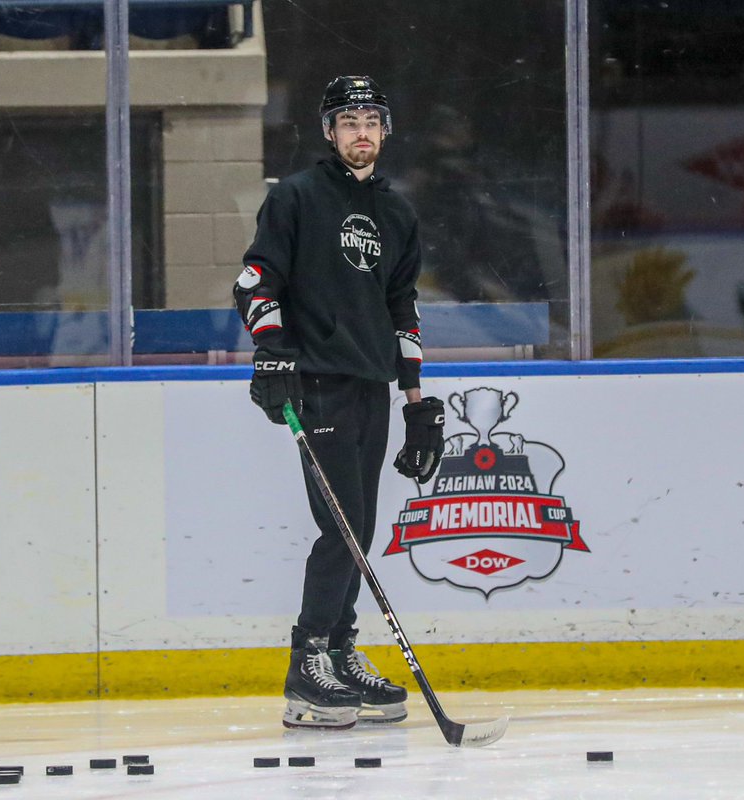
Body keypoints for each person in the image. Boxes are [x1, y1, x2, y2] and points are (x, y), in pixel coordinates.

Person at [233, 76, 446, 730]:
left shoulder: (397, 213)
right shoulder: (297, 198)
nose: (360, 131)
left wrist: (414, 400)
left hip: (369, 383)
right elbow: (255, 280)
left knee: (362, 530)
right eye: (348, 120)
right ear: (329, 132)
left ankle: (342, 649)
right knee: (343, 528)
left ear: (385, 131)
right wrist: (273, 352)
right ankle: (308, 665)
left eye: (371, 120)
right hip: (316, 380)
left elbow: (400, 308)